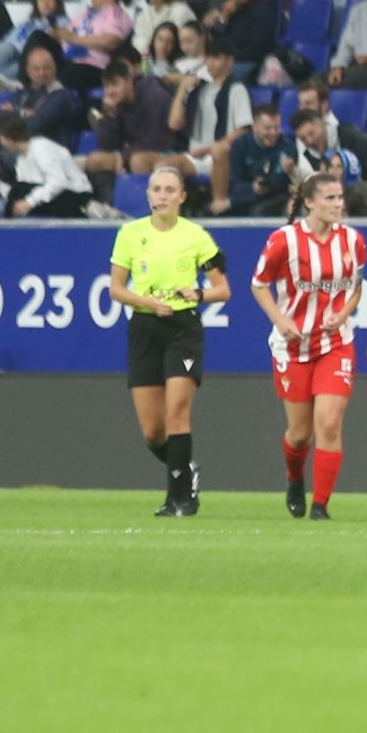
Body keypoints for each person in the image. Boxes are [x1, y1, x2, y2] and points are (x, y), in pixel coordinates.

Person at [107, 166, 230, 517]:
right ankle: (186, 472)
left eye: (169, 189)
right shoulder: (130, 234)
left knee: (177, 414)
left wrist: (199, 293)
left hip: (182, 328)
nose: (162, 195)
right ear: (147, 195)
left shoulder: (196, 236)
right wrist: (148, 302)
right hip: (146, 326)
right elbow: (116, 289)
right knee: (152, 430)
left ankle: (179, 500)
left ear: (182, 197)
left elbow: (223, 289)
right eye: (156, 189)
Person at [250, 173, 367, 521]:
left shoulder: (352, 240)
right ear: (310, 202)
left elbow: (357, 286)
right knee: (300, 435)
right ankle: (294, 478)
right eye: (330, 198)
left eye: (340, 197)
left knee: (328, 424)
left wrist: (343, 312)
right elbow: (259, 285)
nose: (338, 205)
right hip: (293, 347)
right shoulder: (283, 241)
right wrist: (280, 320)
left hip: (335, 344)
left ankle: (321, 505)